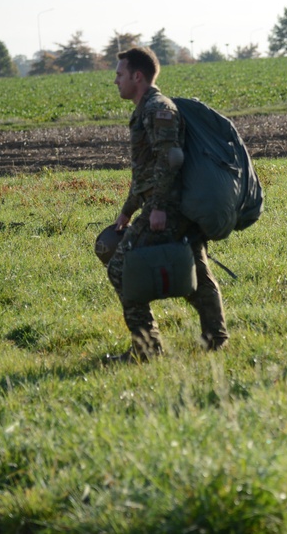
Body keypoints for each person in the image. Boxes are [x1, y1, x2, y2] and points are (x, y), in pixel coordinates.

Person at [105, 46, 228, 362]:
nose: (115, 81)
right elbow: (146, 169)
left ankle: (147, 350)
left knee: (120, 270)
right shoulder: (146, 108)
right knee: (197, 273)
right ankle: (216, 340)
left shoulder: (158, 109)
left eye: (119, 75)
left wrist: (157, 206)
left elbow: (170, 158)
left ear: (137, 76)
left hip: (169, 207)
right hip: (171, 204)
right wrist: (127, 210)